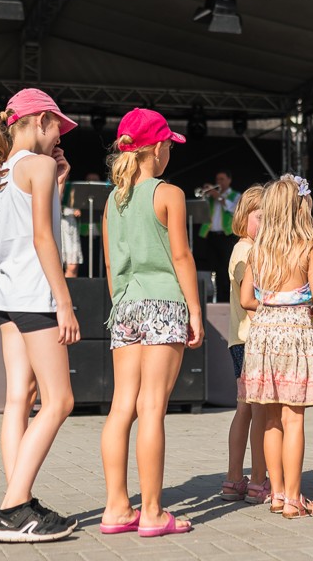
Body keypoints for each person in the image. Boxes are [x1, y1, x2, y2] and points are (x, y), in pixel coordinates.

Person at [0, 88, 81, 543]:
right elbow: (43, 238)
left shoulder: (3, 170)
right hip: (35, 296)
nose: (60, 134)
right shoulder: (37, 165)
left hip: (6, 295)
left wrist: (57, 182)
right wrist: (64, 301)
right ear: (40, 120)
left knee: (18, 399)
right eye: (57, 124)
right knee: (59, 401)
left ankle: (16, 501)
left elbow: (25, 229)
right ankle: (12, 508)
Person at [98, 108, 201, 538]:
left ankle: (116, 508)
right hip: (164, 302)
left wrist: (121, 304)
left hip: (124, 305)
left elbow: (109, 265)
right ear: (157, 148)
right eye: (168, 146)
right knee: (152, 407)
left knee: (122, 407)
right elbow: (181, 256)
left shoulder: (111, 200)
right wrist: (195, 310)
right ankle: (153, 512)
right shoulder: (168, 193)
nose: (169, 153)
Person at [240, 175, 313, 519]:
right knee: (294, 419)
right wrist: (311, 308)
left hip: (263, 335)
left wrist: (271, 304)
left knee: (270, 418)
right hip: (294, 334)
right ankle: (294, 499)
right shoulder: (307, 249)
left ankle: (276, 494)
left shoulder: (257, 251)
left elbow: (247, 299)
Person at [220, 185, 268, 504]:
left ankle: (234, 479)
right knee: (256, 410)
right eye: (259, 217)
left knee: (246, 409)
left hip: (242, 340)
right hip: (251, 339)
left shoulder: (246, 249)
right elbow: (249, 297)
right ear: (243, 216)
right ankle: (257, 480)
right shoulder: (245, 251)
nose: (264, 225)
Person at [198, 170, 240, 302]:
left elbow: (234, 209)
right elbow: (201, 208)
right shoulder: (211, 196)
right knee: (212, 267)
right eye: (217, 179)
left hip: (226, 236)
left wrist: (219, 196)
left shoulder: (235, 195)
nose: (219, 182)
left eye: (222, 179)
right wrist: (206, 195)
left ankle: (225, 297)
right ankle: (213, 296)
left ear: (229, 180)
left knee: (225, 267)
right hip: (211, 235)